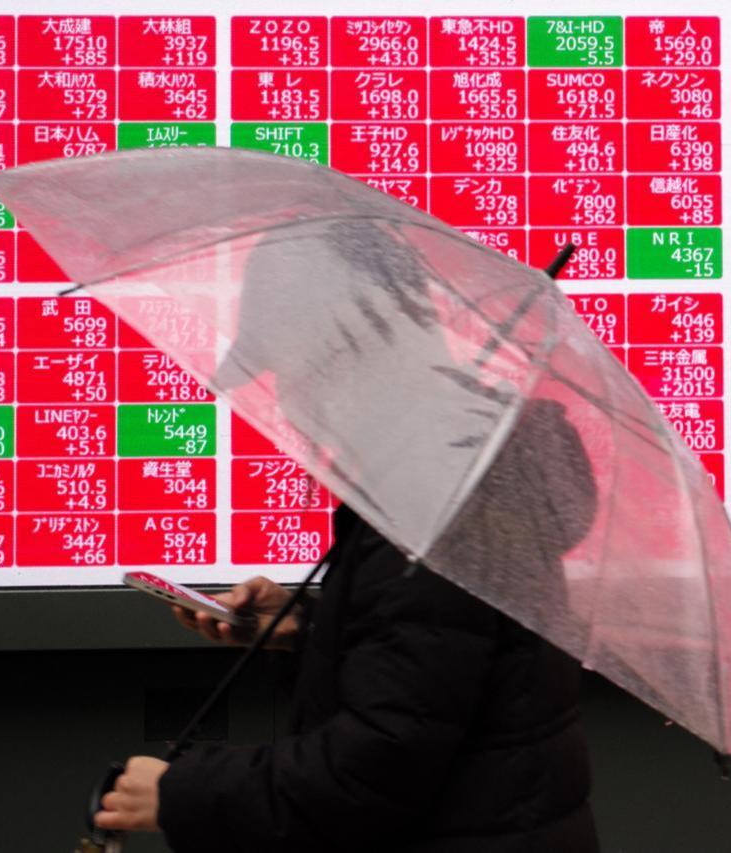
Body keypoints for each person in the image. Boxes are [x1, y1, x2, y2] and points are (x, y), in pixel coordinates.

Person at [93, 218, 602, 851]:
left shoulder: (434, 505)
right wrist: (310, 630)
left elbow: (378, 770)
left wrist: (183, 792)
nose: (289, 393)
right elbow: (427, 681)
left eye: (290, 365)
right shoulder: (456, 473)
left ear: (344, 349)